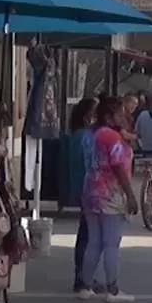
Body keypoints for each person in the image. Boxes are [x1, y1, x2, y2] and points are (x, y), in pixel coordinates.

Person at [78, 97, 138, 303]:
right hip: (110, 193)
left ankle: (85, 285)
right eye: (120, 113)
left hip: (90, 190)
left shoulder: (90, 134)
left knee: (94, 241)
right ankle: (113, 289)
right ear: (109, 116)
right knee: (111, 243)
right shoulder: (111, 137)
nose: (124, 117)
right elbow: (118, 167)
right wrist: (130, 194)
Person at [65, 98, 98, 293]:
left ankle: (85, 276)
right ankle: (83, 278)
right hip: (89, 190)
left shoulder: (79, 135)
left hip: (83, 189)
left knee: (87, 234)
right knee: (89, 236)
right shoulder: (85, 137)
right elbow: (89, 165)